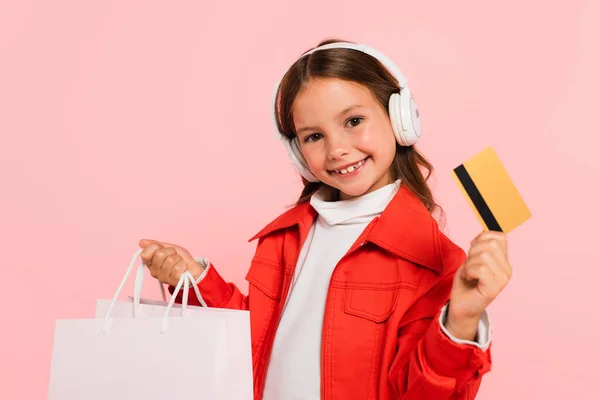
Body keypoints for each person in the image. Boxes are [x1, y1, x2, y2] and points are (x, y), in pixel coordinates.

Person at [139, 38, 512, 399]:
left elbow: (423, 393)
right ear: (298, 153)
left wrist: (461, 320)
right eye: (314, 135)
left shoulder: (435, 260)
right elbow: (255, 342)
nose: (336, 149)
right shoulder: (284, 237)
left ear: (400, 119)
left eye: (353, 121)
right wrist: (196, 280)